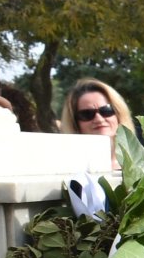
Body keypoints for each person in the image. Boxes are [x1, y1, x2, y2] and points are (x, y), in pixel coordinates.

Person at [55, 77, 134, 216]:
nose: (98, 118)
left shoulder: (142, 161)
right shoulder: (68, 169)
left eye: (106, 110)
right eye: (87, 114)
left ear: (118, 114)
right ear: (75, 123)